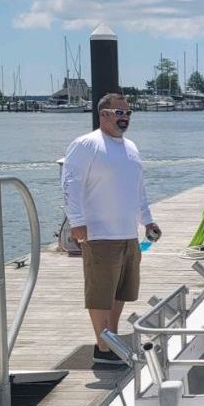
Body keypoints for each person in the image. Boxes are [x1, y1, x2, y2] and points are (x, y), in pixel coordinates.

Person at [62, 91, 161, 367]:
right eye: (119, 113)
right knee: (101, 293)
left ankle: (113, 336)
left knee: (122, 291)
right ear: (103, 115)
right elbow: (70, 183)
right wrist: (77, 222)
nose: (125, 118)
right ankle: (103, 347)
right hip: (99, 233)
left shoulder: (131, 147)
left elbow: (138, 189)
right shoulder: (87, 144)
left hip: (128, 234)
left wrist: (148, 221)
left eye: (128, 113)